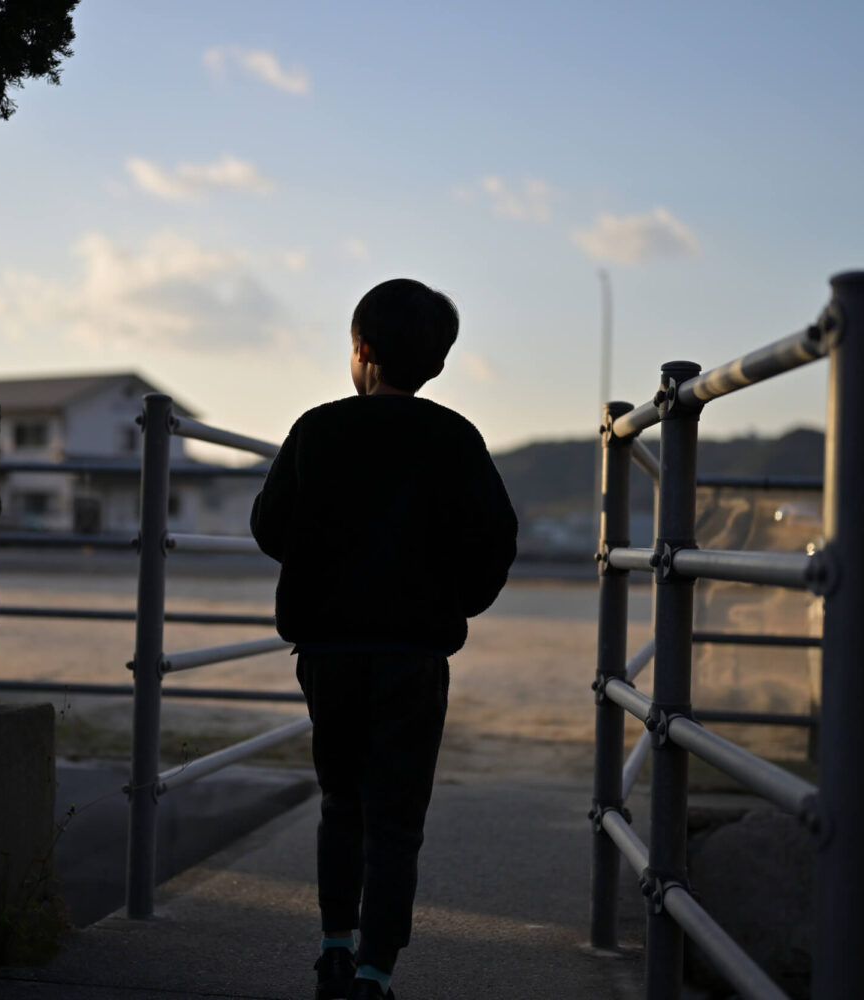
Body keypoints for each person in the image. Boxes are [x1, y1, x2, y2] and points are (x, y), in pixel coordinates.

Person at [250, 278, 518, 1000]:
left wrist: (324, 568)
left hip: (330, 654)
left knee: (342, 802)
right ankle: (375, 973)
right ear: (435, 363)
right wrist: (454, 602)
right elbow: (496, 541)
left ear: (362, 351)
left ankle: (333, 950)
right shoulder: (456, 437)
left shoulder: (316, 429)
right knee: (398, 819)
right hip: (416, 656)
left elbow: (269, 527)